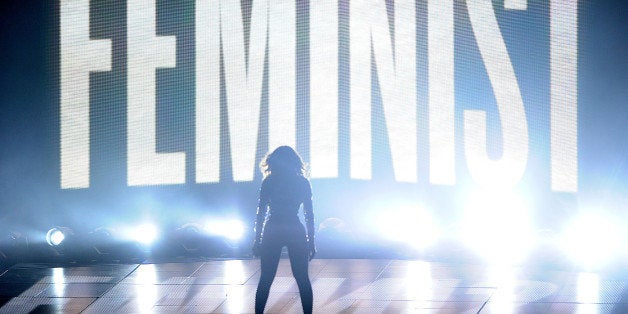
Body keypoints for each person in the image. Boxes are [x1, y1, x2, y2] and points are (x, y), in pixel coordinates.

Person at [253, 146, 316, 314]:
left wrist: (256, 240)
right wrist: (311, 241)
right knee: (302, 279)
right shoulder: (302, 182)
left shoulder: (269, 182)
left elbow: (261, 213)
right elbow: (309, 215)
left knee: (266, 278)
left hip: (273, 228)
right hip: (295, 228)